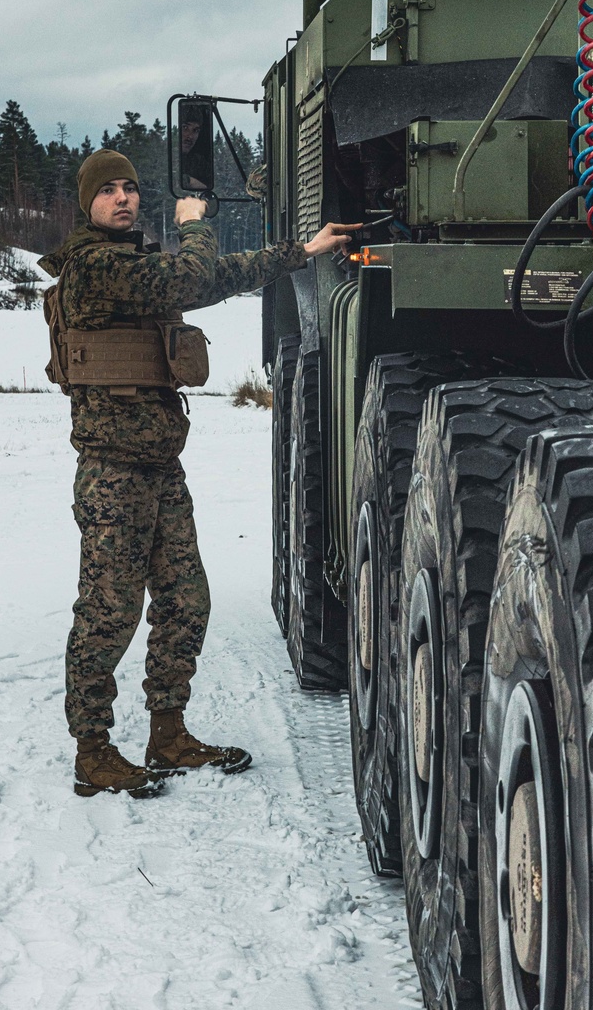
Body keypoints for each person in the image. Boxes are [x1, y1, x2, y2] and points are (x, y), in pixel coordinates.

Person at [39, 149, 359, 798]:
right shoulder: (94, 267)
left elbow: (215, 277)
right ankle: (93, 750)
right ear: (88, 204)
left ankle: (168, 731)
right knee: (109, 612)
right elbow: (191, 276)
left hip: (158, 468)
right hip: (112, 473)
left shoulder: (134, 264)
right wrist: (194, 222)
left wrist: (303, 249)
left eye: (131, 187)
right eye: (110, 191)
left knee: (186, 601)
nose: (124, 198)